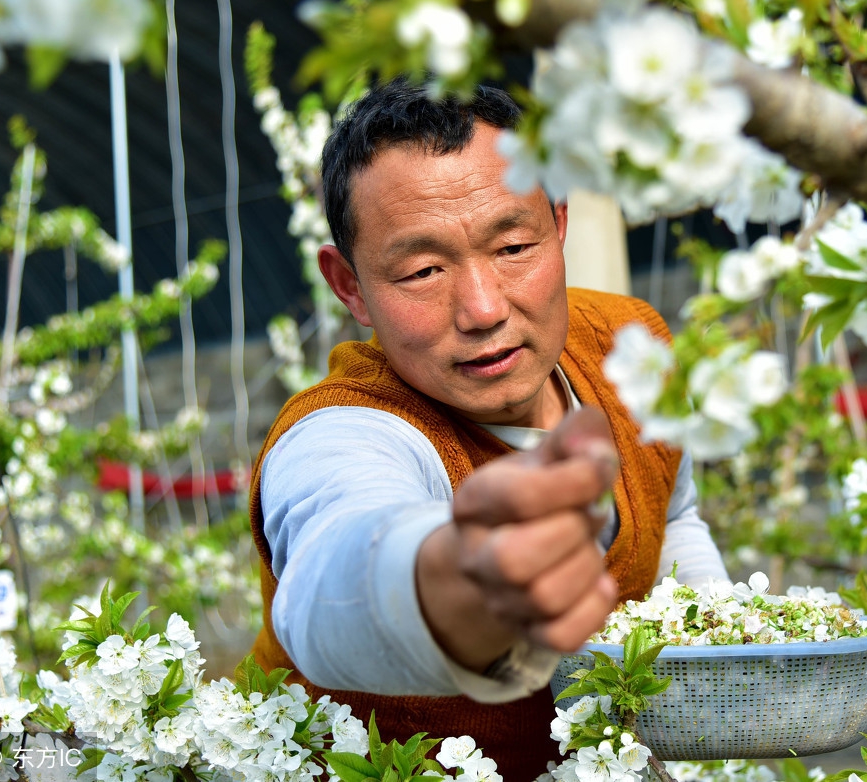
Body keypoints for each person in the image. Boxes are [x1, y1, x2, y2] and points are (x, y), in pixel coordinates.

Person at [247, 79, 727, 780]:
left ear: (558, 224)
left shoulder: (629, 344)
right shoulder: (341, 427)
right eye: (423, 269)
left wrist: (716, 668)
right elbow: (333, 568)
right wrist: (455, 580)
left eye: (511, 246)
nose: (482, 308)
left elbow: (673, 509)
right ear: (349, 286)